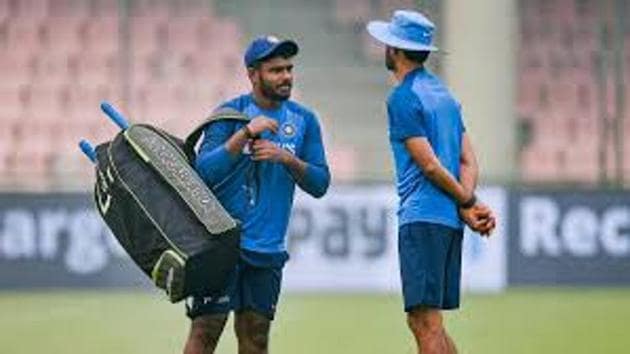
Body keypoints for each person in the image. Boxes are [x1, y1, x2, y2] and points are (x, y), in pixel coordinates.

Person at [183, 35, 330, 354]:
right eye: (276, 70)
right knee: (205, 332)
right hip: (220, 244)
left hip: (267, 248)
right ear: (253, 74)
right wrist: (245, 133)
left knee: (256, 337)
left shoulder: (304, 120)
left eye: (289, 69)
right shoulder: (228, 115)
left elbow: (320, 184)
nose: (286, 76)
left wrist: (287, 158)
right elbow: (204, 173)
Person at [366, 10, 497, 354]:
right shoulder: (445, 96)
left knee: (425, 322)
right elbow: (468, 160)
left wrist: (468, 204)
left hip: (422, 218)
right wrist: (465, 203)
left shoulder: (402, 98)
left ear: (394, 50)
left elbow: (430, 166)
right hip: (448, 221)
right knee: (428, 321)